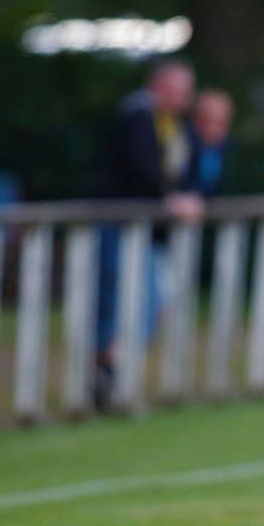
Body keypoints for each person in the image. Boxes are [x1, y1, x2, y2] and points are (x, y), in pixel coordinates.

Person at [93, 60, 204, 409]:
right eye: (174, 91)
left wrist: (186, 196)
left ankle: (112, 369)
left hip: (150, 232)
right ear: (156, 86)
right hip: (123, 225)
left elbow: (178, 170)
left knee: (155, 304)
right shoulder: (138, 116)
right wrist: (169, 198)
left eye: (185, 93)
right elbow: (142, 169)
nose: (181, 99)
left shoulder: (171, 124)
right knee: (124, 302)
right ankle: (106, 370)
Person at [185, 89, 233, 197]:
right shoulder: (182, 147)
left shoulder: (234, 153)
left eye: (220, 122)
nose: (213, 128)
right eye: (208, 120)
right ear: (195, 119)